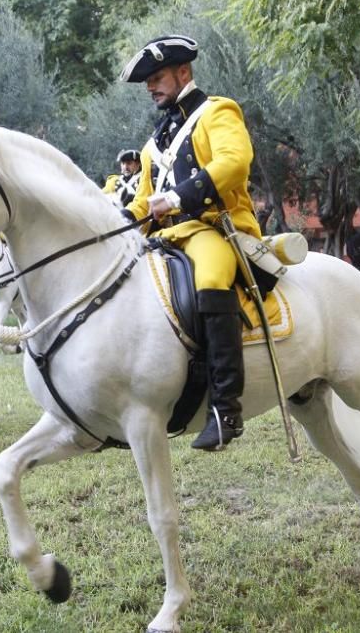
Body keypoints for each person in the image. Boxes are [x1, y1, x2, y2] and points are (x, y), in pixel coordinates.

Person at [120, 34, 260, 451]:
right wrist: (124, 220)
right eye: (147, 82)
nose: (150, 87)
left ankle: (225, 407)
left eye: (157, 77)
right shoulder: (153, 143)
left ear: (184, 73)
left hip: (215, 226)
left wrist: (180, 196)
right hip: (165, 235)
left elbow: (235, 163)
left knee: (213, 278)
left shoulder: (217, 112)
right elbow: (146, 197)